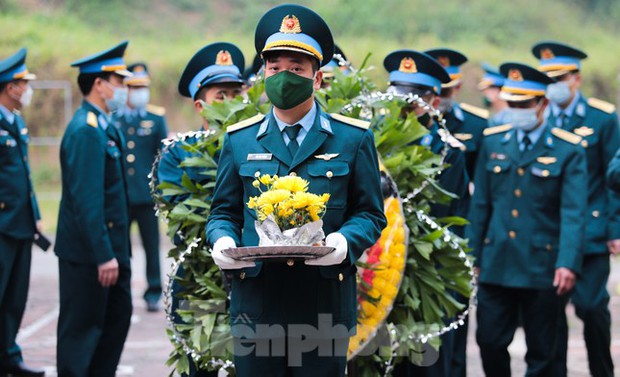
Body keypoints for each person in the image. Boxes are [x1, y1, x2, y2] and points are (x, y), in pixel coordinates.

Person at [205, 4, 387, 376]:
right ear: (262, 74)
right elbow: (223, 212)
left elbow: (370, 212)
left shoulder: (353, 138)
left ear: (317, 79)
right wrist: (221, 241)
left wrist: (344, 243)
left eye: (296, 69)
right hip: (257, 306)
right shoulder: (239, 141)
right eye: (274, 68)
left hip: (322, 308)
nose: (283, 77)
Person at [468, 62, 587, 376]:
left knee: (544, 352)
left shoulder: (567, 149)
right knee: (490, 340)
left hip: (542, 265)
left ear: (543, 103)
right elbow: (481, 204)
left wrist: (568, 262)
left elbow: (573, 212)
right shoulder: (494, 141)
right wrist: (473, 256)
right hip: (497, 263)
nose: (517, 110)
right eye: (512, 104)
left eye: (524, 104)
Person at [531, 40, 620, 377]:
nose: (553, 87)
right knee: (549, 316)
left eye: (560, 78)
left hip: (593, 232)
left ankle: (602, 371)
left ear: (576, 79)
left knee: (592, 307)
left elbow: (615, 176)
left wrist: (616, 229)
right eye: (548, 79)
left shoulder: (602, 118)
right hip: (550, 233)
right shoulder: (537, 119)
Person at [158, 41, 246, 377]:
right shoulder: (178, 154)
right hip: (200, 276)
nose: (230, 103)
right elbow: (183, 214)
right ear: (200, 105)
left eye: (236, 93)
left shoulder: (262, 144)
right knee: (202, 363)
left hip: (252, 279)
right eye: (220, 97)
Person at [383, 49, 468, 377]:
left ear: (432, 100)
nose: (406, 105)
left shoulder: (447, 151)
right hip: (382, 265)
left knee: (427, 362)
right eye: (400, 96)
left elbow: (450, 213)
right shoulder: (377, 140)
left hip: (427, 270)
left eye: (414, 98)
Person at [55, 41, 133, 377]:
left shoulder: (102, 125)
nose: (123, 88)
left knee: (114, 322)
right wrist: (103, 254)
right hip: (89, 255)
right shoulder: (86, 131)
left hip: (109, 248)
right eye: (117, 81)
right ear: (98, 84)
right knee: (82, 334)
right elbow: (88, 200)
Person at [0, 48, 45, 377]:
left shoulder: (16, 122)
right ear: (9, 87)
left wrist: (35, 213)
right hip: (1, 225)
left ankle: (9, 355)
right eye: (23, 83)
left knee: (15, 298)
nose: (27, 90)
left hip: (20, 223)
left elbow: (24, 177)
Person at [113, 62, 168, 312]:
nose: (139, 92)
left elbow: (163, 156)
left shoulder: (156, 118)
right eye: (134, 87)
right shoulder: (114, 119)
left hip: (147, 196)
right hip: (121, 195)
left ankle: (153, 291)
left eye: (143, 87)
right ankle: (120, 288)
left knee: (151, 245)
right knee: (120, 246)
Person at [425, 48, 489, 181]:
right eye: (433, 92)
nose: (438, 99)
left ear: (457, 87)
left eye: (444, 92)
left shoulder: (477, 124)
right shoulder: (412, 122)